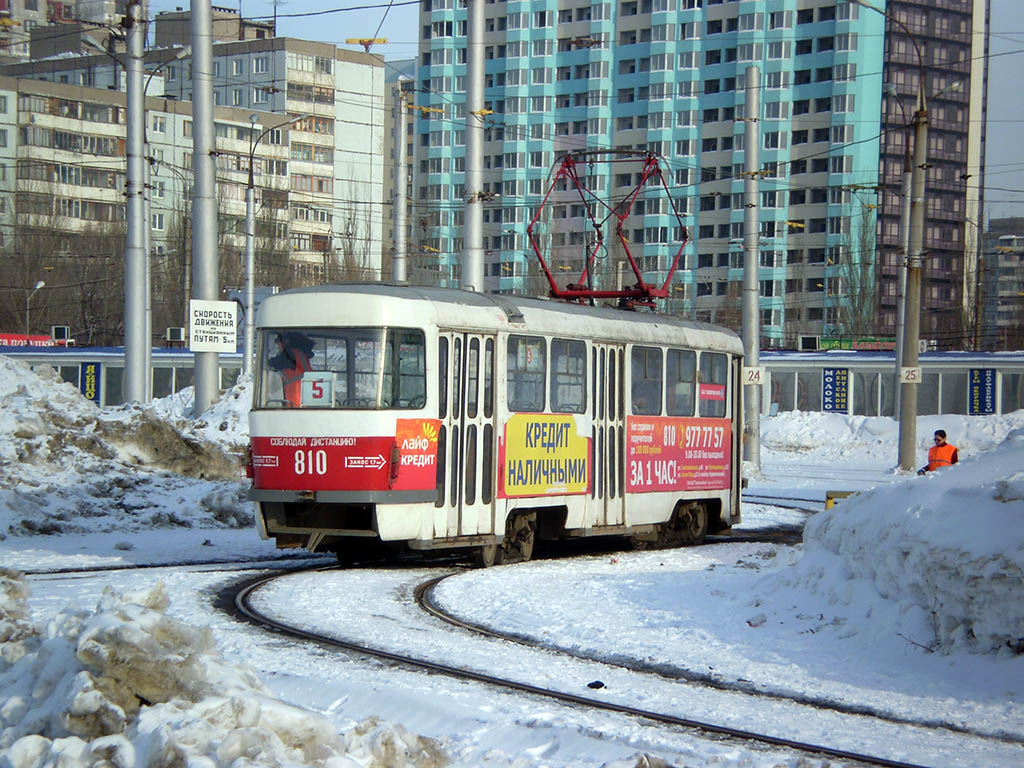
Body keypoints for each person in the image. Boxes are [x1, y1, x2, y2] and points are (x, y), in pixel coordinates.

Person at [269, 333, 311, 407]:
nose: (277, 346)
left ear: (286, 341)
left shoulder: (289, 353)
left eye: (278, 342)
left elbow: (278, 363)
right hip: (301, 394)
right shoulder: (299, 353)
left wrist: (268, 362)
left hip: (295, 394)